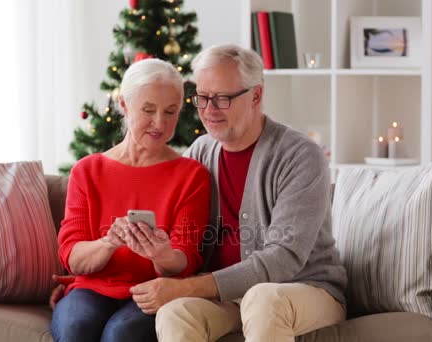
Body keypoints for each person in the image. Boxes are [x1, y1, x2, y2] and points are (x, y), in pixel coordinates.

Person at [128, 44, 348, 342]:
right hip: (230, 299)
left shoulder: (300, 156)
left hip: (306, 289)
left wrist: (190, 287)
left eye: (222, 98)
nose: (208, 110)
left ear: (256, 95)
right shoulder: (200, 152)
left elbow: (282, 259)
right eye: (202, 98)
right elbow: (174, 237)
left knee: (263, 299)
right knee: (175, 312)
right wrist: (82, 282)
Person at [50, 58, 211, 342]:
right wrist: (109, 242)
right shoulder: (88, 171)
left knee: (121, 334)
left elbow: (187, 257)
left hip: (156, 290)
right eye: (148, 110)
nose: (159, 123)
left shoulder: (191, 175)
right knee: (76, 327)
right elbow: (72, 256)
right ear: (124, 105)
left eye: (170, 112)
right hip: (92, 289)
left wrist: (161, 254)